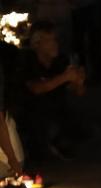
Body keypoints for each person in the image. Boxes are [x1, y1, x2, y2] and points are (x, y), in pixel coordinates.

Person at [21, 21, 86, 164]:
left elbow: (78, 92)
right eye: (49, 41)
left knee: (84, 129)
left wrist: (78, 81)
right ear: (36, 44)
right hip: (32, 112)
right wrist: (64, 77)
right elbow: (36, 88)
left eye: (55, 39)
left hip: (57, 109)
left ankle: (58, 142)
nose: (55, 44)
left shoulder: (60, 60)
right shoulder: (27, 60)